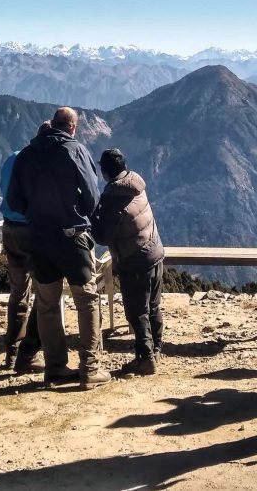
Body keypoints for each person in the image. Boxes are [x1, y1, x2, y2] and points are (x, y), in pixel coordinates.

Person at [7, 107, 110, 389]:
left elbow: (14, 201)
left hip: (39, 237)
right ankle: (90, 368)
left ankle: (55, 367)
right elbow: (92, 194)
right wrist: (78, 214)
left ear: (52, 124)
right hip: (71, 235)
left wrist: (36, 213)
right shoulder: (75, 151)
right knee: (86, 300)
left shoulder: (26, 155)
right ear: (73, 127)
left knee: (47, 302)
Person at [91, 148, 165, 376]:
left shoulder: (114, 199)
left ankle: (145, 359)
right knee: (152, 306)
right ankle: (157, 350)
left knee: (137, 311)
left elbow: (104, 236)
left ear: (104, 172)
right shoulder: (135, 184)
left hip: (135, 260)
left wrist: (92, 217)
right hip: (155, 251)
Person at [0, 127, 46, 374]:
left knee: (18, 292)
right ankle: (29, 352)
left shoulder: (13, 157)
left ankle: (12, 351)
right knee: (45, 290)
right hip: (32, 232)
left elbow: (2, 187)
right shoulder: (39, 162)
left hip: (8, 229)